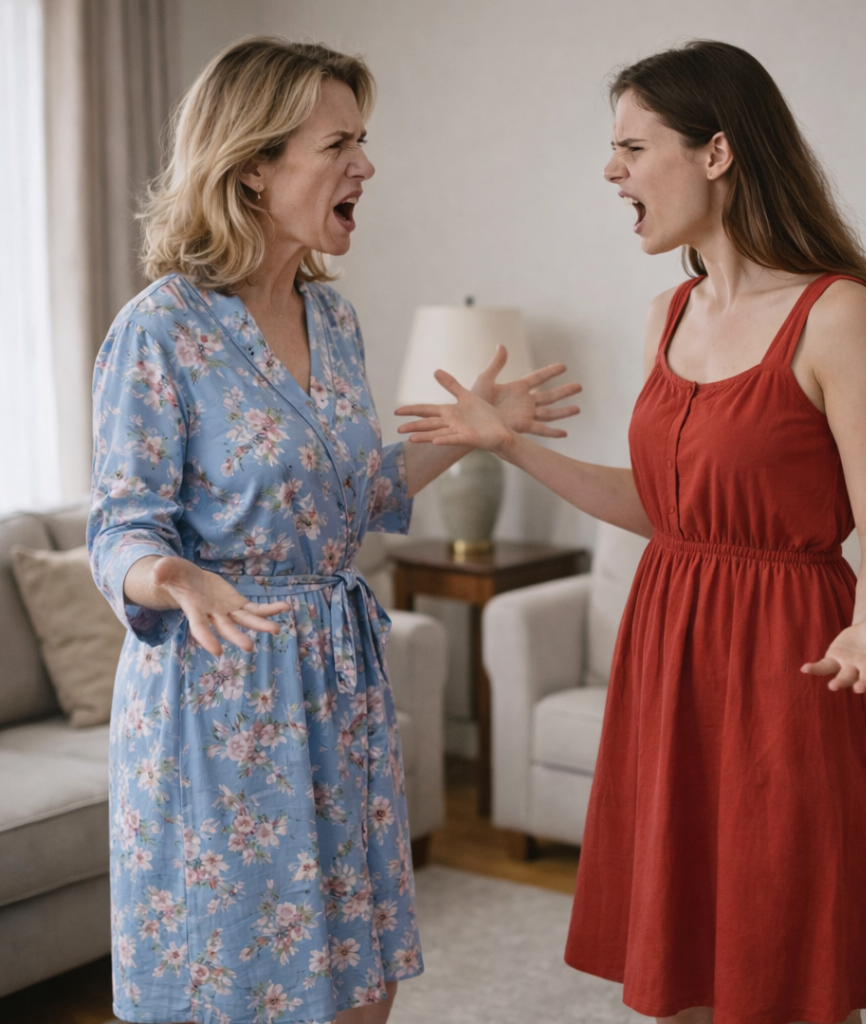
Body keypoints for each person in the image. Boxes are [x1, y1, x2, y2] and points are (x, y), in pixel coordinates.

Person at [397, 41, 866, 1024]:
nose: (612, 171)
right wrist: (508, 447)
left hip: (789, 660)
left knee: (786, 950)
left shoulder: (837, 315)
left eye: (633, 148)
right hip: (667, 649)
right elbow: (665, 508)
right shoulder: (667, 313)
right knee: (680, 953)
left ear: (716, 152)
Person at [88, 37, 579, 1024]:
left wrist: (467, 436)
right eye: (338, 144)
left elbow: (351, 499)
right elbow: (120, 527)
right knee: (238, 980)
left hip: (339, 684)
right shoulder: (160, 327)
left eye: (363, 140)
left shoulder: (336, 320)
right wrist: (174, 577)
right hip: (219, 693)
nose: (366, 165)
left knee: (358, 974)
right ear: (252, 166)